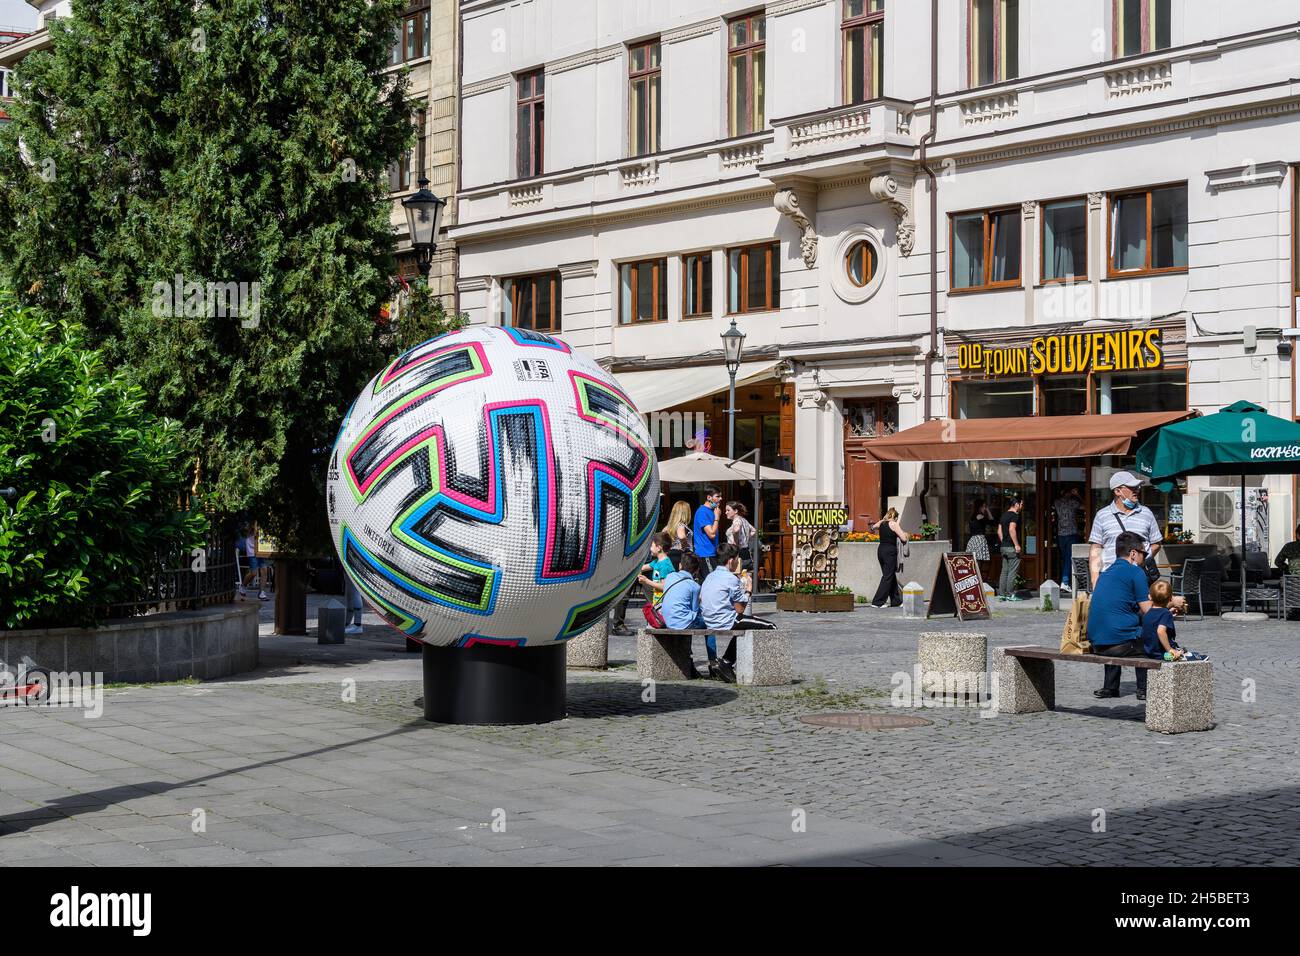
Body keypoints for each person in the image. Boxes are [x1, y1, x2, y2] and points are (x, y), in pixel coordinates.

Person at [1088, 531, 1154, 699]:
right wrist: (1169, 606)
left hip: (1097, 643)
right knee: (1148, 639)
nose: (1144, 557)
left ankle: (1110, 687)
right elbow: (1149, 611)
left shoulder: (1105, 574)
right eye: (1143, 553)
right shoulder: (1136, 572)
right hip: (1117, 645)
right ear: (1133, 553)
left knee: (1116, 627)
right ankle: (1144, 689)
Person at [699, 543, 775, 682]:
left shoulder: (709, 577)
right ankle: (767, 670)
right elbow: (740, 609)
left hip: (709, 620)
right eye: (737, 559)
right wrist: (748, 589)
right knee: (771, 627)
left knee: (749, 623)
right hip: (726, 622)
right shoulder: (731, 579)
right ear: (730, 561)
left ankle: (726, 662)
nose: (738, 562)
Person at [1088, 471, 1162, 589]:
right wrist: (1095, 579)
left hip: (1139, 576)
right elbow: (1096, 548)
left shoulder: (1146, 513)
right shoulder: (1102, 515)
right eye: (1132, 487)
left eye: (1137, 487)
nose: (1137, 490)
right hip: (1110, 577)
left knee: (1141, 606)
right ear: (1118, 491)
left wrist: (1140, 560)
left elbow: (1156, 544)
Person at [1142, 580, 1208, 664]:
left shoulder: (1147, 613)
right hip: (1162, 653)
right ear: (1170, 599)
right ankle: (1186, 655)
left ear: (1150, 597)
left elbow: (1154, 623)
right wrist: (1169, 650)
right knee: (1184, 653)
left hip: (1149, 651)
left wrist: (1168, 613)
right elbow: (1160, 631)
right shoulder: (1165, 613)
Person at [867, 508, 909, 609]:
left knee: (890, 575)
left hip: (881, 551)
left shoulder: (882, 523)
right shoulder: (894, 524)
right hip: (890, 552)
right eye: (896, 518)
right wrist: (906, 535)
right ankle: (877, 602)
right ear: (895, 517)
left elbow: (873, 527)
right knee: (887, 577)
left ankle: (896, 601)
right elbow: (903, 538)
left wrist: (882, 520)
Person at [659, 553, 704, 631]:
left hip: (666, 620)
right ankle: (711, 644)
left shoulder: (670, 577)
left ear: (680, 565)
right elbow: (694, 610)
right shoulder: (695, 586)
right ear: (697, 570)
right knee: (709, 622)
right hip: (683, 623)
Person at [1053, 487, 1083, 587]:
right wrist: (1077, 495)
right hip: (1071, 533)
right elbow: (1085, 506)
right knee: (1068, 558)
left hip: (1061, 533)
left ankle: (1065, 580)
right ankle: (1065, 581)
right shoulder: (1072, 502)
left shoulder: (1057, 502)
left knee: (1064, 557)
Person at [636, 532, 677, 606]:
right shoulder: (657, 561)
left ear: (659, 548)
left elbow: (664, 587)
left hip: (664, 603)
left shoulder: (665, 565)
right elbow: (642, 568)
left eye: (651, 546)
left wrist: (646, 581)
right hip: (658, 601)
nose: (650, 549)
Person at [997, 497, 1024, 601]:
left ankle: (1002, 594)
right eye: (1021, 504)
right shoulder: (1014, 516)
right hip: (1011, 547)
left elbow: (999, 531)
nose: (1022, 506)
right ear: (1016, 504)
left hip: (1003, 546)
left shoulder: (1004, 515)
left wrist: (1005, 540)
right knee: (1012, 571)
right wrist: (1016, 544)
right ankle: (1010, 594)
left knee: (1004, 571)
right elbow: (1012, 529)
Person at [693, 487, 723, 573]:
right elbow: (712, 534)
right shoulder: (702, 512)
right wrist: (717, 518)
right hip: (705, 554)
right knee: (711, 582)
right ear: (709, 497)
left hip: (712, 553)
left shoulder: (712, 511)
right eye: (717, 496)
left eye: (720, 496)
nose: (721, 499)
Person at [965, 499, 994, 578]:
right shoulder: (979, 516)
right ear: (980, 507)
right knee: (978, 560)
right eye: (984, 506)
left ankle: (974, 577)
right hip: (979, 539)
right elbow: (991, 521)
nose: (985, 508)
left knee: (974, 560)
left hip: (973, 539)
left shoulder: (972, 516)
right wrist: (988, 511)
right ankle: (978, 578)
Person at [724, 501, 756, 568]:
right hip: (745, 551)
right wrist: (746, 539)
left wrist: (735, 543)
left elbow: (736, 530)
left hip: (736, 552)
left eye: (728, 510)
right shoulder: (744, 520)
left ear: (735, 511)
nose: (726, 512)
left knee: (737, 574)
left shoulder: (737, 520)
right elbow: (754, 531)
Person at [661, 500, 695, 564]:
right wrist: (684, 546)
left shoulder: (668, 527)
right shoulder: (681, 525)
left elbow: (661, 539)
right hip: (683, 557)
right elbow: (681, 537)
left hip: (670, 556)